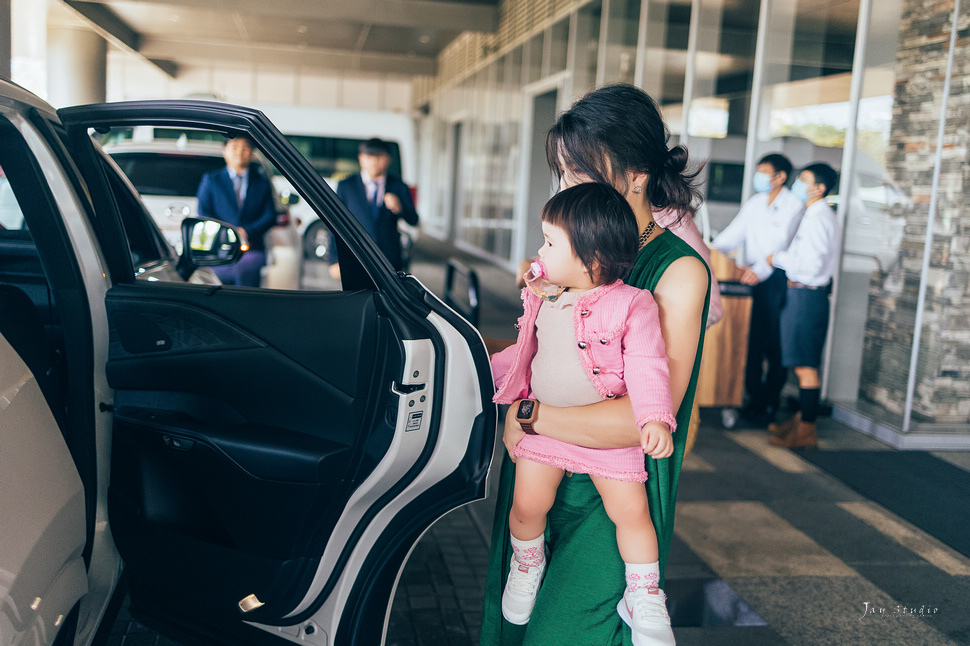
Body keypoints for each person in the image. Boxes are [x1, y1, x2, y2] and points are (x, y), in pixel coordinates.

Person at [482, 83, 711, 646]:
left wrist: (530, 415)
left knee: (563, 633)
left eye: (580, 174)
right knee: (515, 620)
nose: (567, 189)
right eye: (562, 175)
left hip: (613, 492)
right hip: (540, 474)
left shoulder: (677, 272)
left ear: (636, 176)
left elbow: (645, 414)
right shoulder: (566, 254)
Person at [492, 183, 677, 643]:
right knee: (526, 505)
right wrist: (480, 370)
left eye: (551, 242)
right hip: (546, 429)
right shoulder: (545, 294)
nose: (540, 249)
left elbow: (647, 363)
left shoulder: (633, 304)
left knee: (631, 513)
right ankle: (527, 561)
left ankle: (644, 591)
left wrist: (654, 417)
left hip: (604, 435)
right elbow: (527, 352)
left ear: (591, 259)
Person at [712, 153, 804, 426]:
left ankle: (769, 403)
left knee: (773, 345)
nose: (759, 177)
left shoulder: (793, 206)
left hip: (776, 279)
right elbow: (732, 236)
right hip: (748, 278)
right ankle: (752, 399)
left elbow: (784, 245)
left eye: (764, 172)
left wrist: (760, 271)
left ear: (780, 177)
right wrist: (709, 250)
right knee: (749, 342)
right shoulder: (755, 203)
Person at [766, 163, 841, 448]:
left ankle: (807, 429)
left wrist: (780, 259)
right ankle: (799, 422)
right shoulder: (814, 213)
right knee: (799, 363)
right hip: (802, 295)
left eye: (804, 180)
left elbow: (812, 264)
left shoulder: (820, 217)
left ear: (820, 188)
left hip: (807, 295)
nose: (798, 183)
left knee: (805, 366)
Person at [329, 138, 418, 279]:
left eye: (380, 156)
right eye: (370, 156)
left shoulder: (399, 186)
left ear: (388, 159)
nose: (374, 161)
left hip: (390, 259)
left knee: (387, 300)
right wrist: (334, 259)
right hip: (356, 256)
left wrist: (400, 208)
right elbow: (335, 222)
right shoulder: (347, 186)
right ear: (361, 158)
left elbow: (414, 220)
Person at [196, 135, 278, 287]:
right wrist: (227, 232)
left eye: (245, 147)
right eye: (234, 147)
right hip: (219, 248)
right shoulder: (212, 179)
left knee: (247, 293)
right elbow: (204, 212)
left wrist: (246, 231)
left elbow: (270, 216)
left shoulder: (261, 182)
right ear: (225, 151)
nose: (240, 152)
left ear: (252, 152)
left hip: (252, 249)